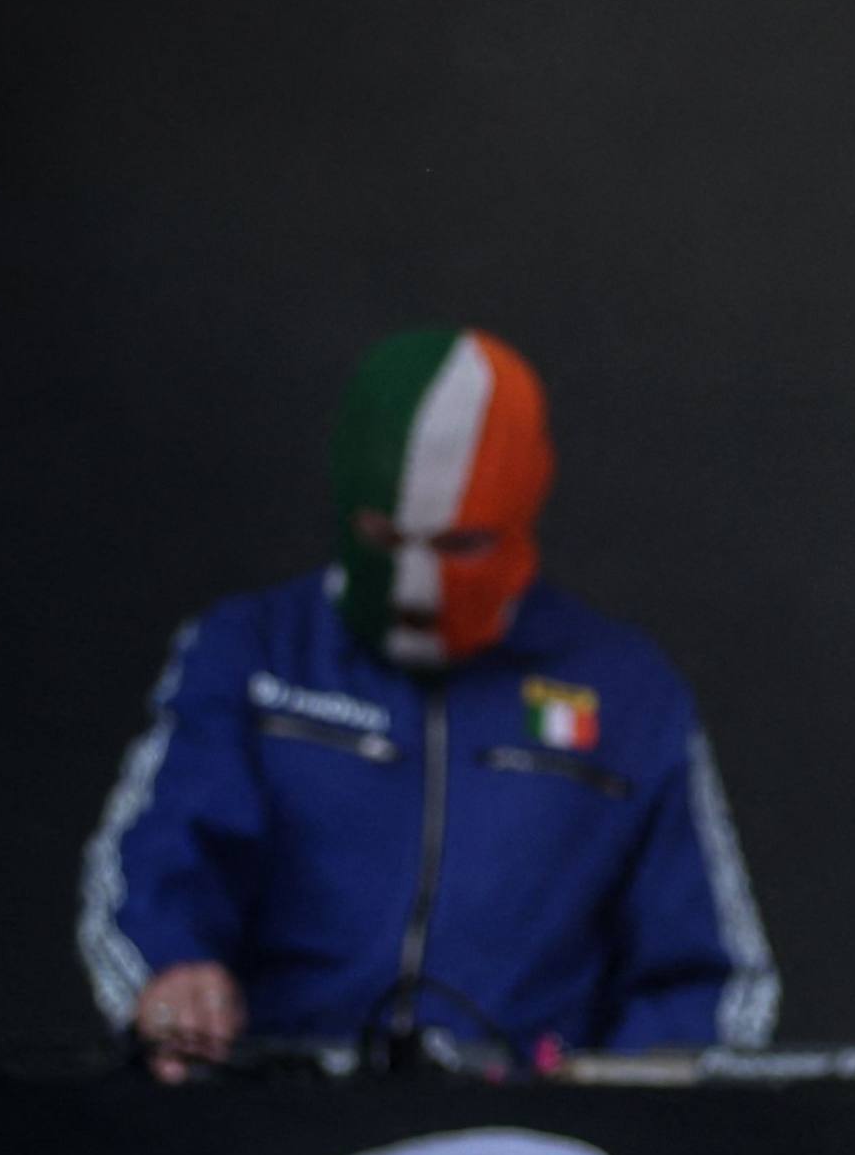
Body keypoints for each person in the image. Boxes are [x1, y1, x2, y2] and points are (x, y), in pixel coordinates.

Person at [80, 325, 778, 1075]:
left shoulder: (628, 690)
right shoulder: (250, 650)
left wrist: (616, 1105)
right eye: (386, 540)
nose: (417, 590)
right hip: (269, 1118)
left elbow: (711, 978)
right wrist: (171, 973)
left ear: (522, 519)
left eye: (460, 546)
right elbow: (154, 862)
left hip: (526, 1152)